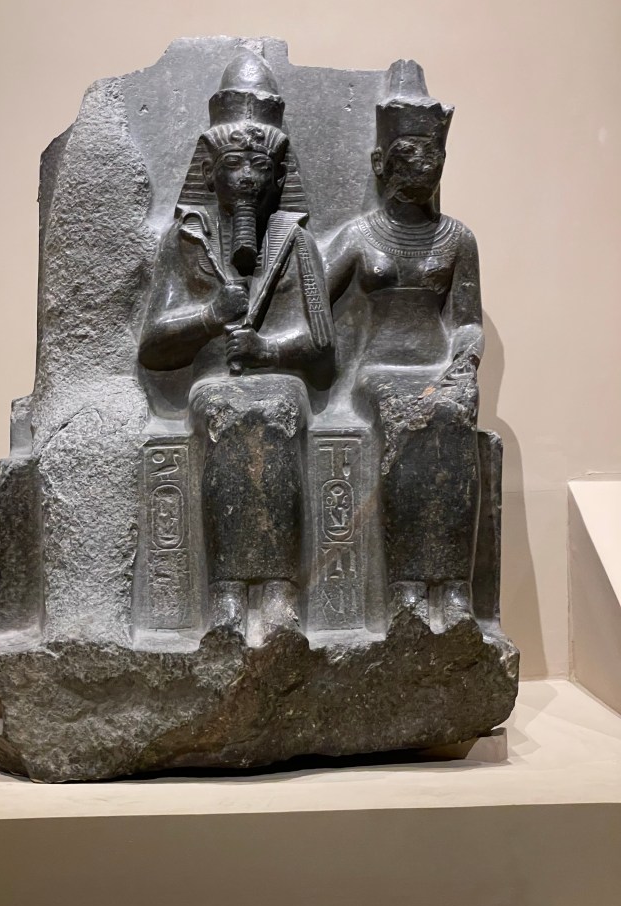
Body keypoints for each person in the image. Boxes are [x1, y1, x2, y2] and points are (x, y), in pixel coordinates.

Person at [139, 50, 334, 640]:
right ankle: (225, 594)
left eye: (259, 166)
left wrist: (268, 350)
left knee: (273, 408)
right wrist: (208, 316)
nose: (246, 177)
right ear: (210, 171)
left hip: (280, 389)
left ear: (279, 177)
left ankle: (279, 593)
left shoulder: (294, 242)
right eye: (233, 164)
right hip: (213, 390)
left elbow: (322, 346)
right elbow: (152, 347)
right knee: (225, 407)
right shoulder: (186, 239)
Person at [325, 60, 483, 628]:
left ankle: (454, 589)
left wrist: (466, 359)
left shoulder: (458, 238)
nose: (421, 162)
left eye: (431, 153)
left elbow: (467, 321)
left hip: (438, 368)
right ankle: (408, 590)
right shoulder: (358, 235)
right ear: (380, 163)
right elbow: (312, 307)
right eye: (408, 152)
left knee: (452, 416)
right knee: (411, 416)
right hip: (380, 370)